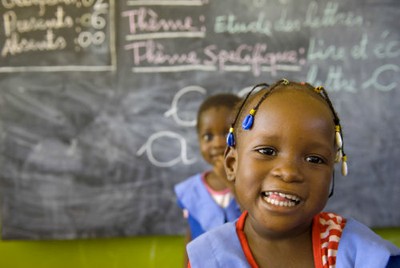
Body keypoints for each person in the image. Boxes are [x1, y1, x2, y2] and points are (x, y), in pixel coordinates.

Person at [187, 79, 400, 268]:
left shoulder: (364, 255)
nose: (288, 173)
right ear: (232, 164)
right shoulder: (208, 258)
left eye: (314, 159)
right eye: (267, 151)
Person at [174, 93, 243, 264]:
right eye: (208, 137)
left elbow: (254, 217)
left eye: (227, 133)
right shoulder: (190, 190)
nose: (218, 143)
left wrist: (229, 180)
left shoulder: (252, 185)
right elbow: (191, 236)